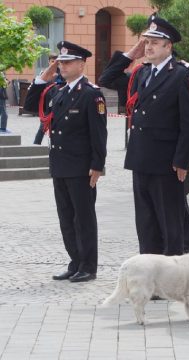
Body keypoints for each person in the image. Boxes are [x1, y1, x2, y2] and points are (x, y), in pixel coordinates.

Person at [99, 14, 189, 256]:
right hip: (141, 158)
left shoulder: (183, 75)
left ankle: (172, 275)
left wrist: (183, 160)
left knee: (170, 223)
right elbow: (107, 78)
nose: (149, 47)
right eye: (147, 42)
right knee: (146, 223)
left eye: (155, 42)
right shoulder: (142, 73)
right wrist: (130, 54)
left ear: (169, 46)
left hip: (167, 161)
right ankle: (151, 274)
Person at [23, 41, 108, 282]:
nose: (62, 66)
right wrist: (43, 77)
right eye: (60, 63)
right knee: (66, 218)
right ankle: (75, 261)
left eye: (68, 62)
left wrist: (97, 165)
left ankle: (89, 266)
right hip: (60, 164)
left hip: (81, 167)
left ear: (82, 64)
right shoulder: (58, 92)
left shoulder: (91, 94)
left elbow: (99, 134)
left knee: (83, 218)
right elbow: (30, 106)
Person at [34, 53, 65, 144]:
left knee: (57, 126)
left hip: (58, 102)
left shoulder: (62, 73)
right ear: (49, 61)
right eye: (52, 61)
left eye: (56, 62)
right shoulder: (44, 73)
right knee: (43, 126)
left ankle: (55, 146)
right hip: (47, 103)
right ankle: (36, 145)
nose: (54, 64)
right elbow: (39, 86)